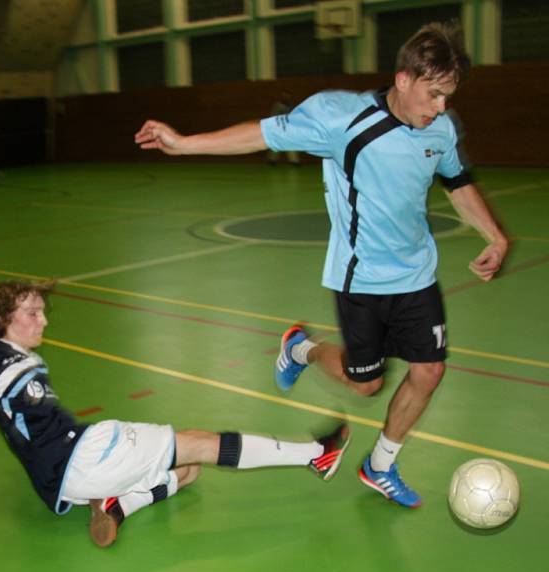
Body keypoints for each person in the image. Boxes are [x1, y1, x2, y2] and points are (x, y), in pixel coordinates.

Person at [134, 22, 508, 509]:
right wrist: (183, 143)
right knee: (367, 383)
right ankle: (301, 349)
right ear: (403, 80)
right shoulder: (340, 118)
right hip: (362, 279)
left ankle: (380, 465)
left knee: (429, 371)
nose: (440, 108)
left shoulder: (440, 127)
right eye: (433, 95)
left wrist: (494, 235)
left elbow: (457, 183)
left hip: (417, 273)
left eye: (447, 97)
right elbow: (261, 135)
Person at [0, 279, 350, 548]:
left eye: (42, 311)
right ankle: (316, 454)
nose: (44, 320)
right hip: (83, 457)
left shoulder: (17, 355)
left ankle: (120, 504)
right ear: (3, 321)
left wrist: (37, 289)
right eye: (32, 313)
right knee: (199, 442)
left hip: (67, 477)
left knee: (188, 472)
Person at [267, 94, 301, 167]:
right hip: (278, 128)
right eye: (284, 96)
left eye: (287, 96)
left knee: (291, 144)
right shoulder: (277, 106)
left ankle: (294, 161)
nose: (286, 98)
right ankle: (272, 160)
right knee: (276, 145)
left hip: (288, 128)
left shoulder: (291, 106)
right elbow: (273, 117)